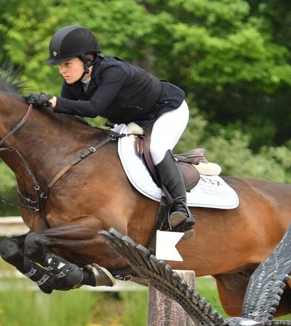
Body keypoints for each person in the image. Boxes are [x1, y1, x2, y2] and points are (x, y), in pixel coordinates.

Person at [26, 25, 195, 239]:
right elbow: (66, 118)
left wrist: (53, 102)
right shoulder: (74, 84)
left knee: (157, 149)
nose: (62, 71)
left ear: (87, 59)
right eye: (60, 66)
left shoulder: (114, 71)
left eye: (67, 64)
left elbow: (93, 108)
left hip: (167, 110)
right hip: (132, 120)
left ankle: (181, 211)